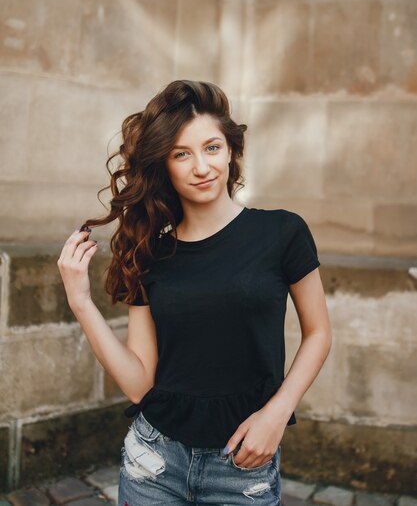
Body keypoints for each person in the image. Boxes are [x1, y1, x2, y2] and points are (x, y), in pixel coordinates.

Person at [57, 80, 332, 506]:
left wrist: (277, 414)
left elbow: (318, 333)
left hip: (241, 464)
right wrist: (80, 301)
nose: (201, 167)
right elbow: (137, 384)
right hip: (154, 462)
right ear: (163, 167)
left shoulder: (282, 232)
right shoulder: (151, 254)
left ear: (231, 151)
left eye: (212, 148)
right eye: (181, 154)